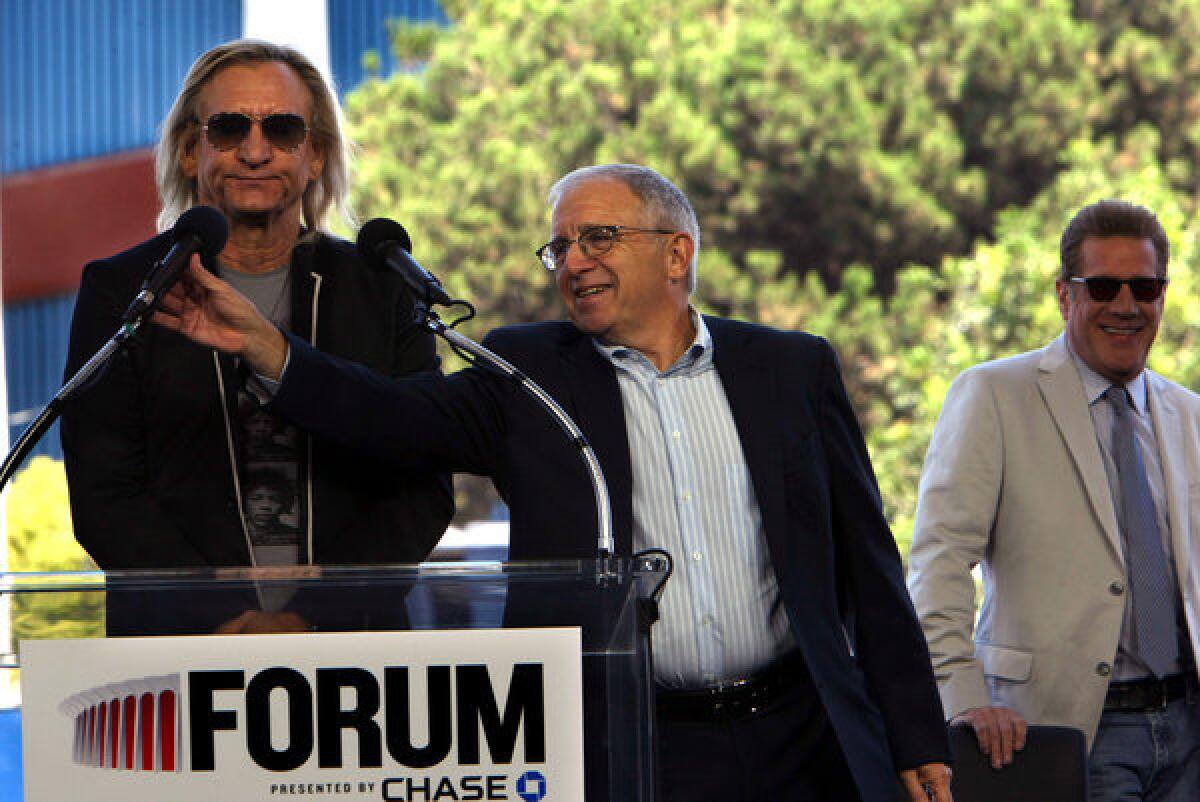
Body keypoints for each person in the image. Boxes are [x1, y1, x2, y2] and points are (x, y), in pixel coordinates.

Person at [155, 163, 951, 800]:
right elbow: (391, 416)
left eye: (599, 236)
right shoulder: (529, 373)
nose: (573, 261)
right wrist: (269, 349)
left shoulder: (792, 367)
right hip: (634, 745)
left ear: (678, 253)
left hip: (802, 734)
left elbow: (868, 563)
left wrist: (917, 736)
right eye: (560, 247)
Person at [61, 40, 454, 632]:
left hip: (353, 654)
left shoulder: (383, 286)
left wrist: (311, 619)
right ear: (191, 151)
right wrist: (223, 619)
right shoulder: (123, 290)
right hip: (182, 651)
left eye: (282, 128)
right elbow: (104, 494)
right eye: (228, 128)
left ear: (315, 155)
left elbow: (422, 485)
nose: (254, 150)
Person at [908, 199, 1200, 800]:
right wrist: (964, 698)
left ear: (1163, 296)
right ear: (1065, 296)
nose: (1125, 304)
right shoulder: (993, 396)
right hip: (1063, 732)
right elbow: (938, 565)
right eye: (1103, 286)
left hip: (1190, 732)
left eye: (1143, 286)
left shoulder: (1189, 416)